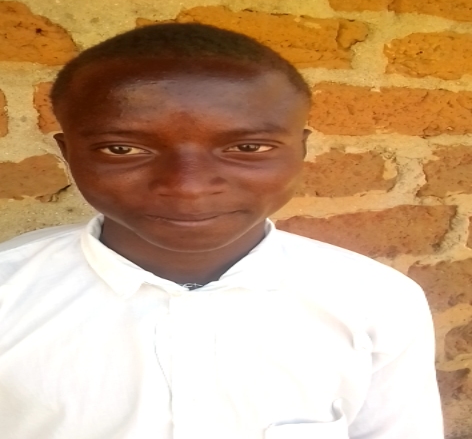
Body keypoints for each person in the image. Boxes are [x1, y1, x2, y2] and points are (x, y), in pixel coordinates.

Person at [0, 23, 443, 439]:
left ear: (301, 149)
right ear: (68, 153)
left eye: (248, 147)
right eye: (122, 149)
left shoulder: (376, 301)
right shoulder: (9, 293)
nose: (187, 187)